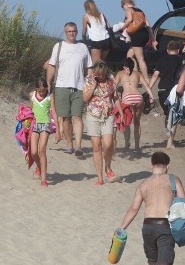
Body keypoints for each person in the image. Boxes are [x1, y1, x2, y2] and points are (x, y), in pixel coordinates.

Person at [118, 151, 185, 265]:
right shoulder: (173, 180)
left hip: (148, 226)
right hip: (165, 224)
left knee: (152, 260)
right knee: (164, 261)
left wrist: (122, 227)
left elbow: (133, 209)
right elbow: (183, 201)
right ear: (167, 166)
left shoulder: (143, 184)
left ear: (151, 165)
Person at [46, 22, 93, 156]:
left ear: (77, 32)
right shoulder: (58, 46)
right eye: (69, 31)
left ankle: (78, 146)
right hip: (61, 87)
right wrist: (48, 82)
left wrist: (89, 84)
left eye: (74, 31)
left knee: (77, 116)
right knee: (65, 118)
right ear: (65, 32)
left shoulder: (83, 47)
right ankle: (69, 144)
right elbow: (52, 65)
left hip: (78, 87)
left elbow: (88, 67)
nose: (72, 33)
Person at [82, 62, 118, 185]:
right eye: (98, 74)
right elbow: (85, 98)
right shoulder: (89, 80)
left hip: (108, 114)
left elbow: (115, 96)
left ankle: (107, 167)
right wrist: (94, 85)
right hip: (93, 115)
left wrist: (121, 113)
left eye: (102, 74)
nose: (100, 76)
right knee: (96, 146)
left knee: (108, 144)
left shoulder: (111, 79)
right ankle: (100, 177)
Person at [149, 40, 185, 149]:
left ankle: (169, 137)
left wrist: (149, 88)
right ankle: (170, 142)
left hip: (162, 90)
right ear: (178, 50)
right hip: (175, 89)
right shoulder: (181, 60)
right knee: (173, 115)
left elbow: (155, 75)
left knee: (168, 114)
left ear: (168, 50)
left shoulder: (161, 60)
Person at [117, 57, 155, 151]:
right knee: (137, 123)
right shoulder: (138, 74)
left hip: (127, 98)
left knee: (126, 123)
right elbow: (146, 86)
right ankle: (137, 146)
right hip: (138, 97)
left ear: (124, 66)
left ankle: (127, 145)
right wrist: (152, 97)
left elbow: (114, 86)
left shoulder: (120, 73)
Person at [118, 0, 152, 82]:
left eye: (122, 7)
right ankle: (135, 75)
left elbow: (129, 20)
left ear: (125, 4)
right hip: (144, 34)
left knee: (140, 58)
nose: (123, 9)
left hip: (136, 34)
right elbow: (148, 24)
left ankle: (146, 79)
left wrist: (122, 28)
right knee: (129, 56)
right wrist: (152, 37)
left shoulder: (128, 9)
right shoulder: (140, 11)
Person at [28, 77, 53, 187]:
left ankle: (44, 178)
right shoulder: (32, 96)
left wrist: (59, 128)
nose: (42, 93)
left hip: (46, 125)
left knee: (41, 150)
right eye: (40, 91)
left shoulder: (49, 97)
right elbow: (31, 110)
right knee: (34, 152)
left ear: (47, 89)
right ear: (36, 89)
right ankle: (39, 167)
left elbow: (54, 112)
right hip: (35, 125)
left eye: (44, 90)